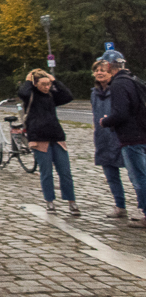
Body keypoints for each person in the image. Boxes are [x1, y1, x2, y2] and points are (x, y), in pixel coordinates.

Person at [19, 69, 78, 216]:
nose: (47, 87)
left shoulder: (52, 96)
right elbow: (23, 93)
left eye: (48, 84)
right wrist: (28, 79)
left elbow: (68, 96)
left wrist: (54, 80)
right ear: (35, 84)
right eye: (43, 84)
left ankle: (72, 202)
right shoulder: (31, 95)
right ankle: (49, 202)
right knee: (46, 173)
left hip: (56, 137)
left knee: (65, 172)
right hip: (39, 138)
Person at [97, 49, 146, 227]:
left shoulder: (118, 84)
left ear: (108, 65)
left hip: (131, 137)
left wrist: (106, 121)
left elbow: (121, 113)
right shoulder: (134, 79)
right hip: (142, 133)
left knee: (139, 177)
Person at [91, 59, 129, 218]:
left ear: (111, 72)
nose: (99, 73)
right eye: (96, 70)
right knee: (111, 176)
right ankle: (120, 206)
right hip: (103, 138)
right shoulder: (94, 93)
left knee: (136, 175)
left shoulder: (118, 89)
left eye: (103, 70)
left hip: (121, 137)